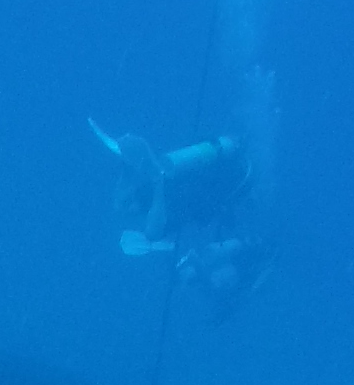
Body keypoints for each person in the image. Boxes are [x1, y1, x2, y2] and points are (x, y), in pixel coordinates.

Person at [93, 116, 268, 309]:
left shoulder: (231, 170)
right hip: (185, 199)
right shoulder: (238, 179)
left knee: (133, 210)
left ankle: (131, 171)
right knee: (148, 225)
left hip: (181, 189)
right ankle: (137, 173)